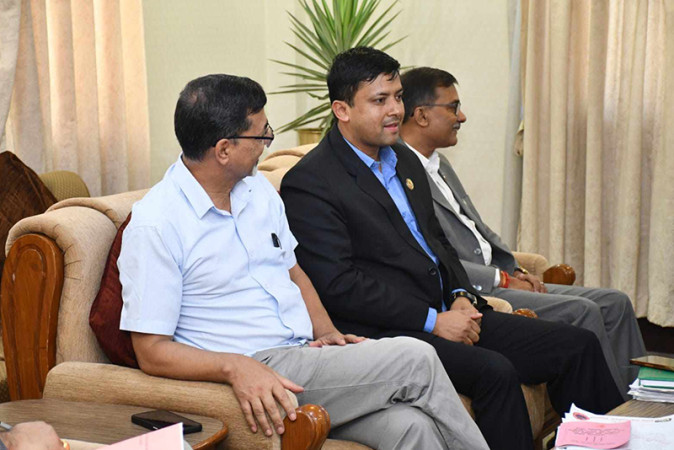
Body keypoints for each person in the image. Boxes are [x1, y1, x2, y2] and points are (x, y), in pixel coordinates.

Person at [117, 74, 488, 450]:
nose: (268, 143)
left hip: (303, 354)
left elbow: (293, 271)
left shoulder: (257, 191)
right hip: (255, 366)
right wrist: (234, 366)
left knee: (410, 426)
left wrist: (326, 332)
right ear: (224, 149)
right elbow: (151, 351)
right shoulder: (156, 223)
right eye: (262, 135)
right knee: (416, 359)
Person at [280, 47, 624, 450]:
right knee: (495, 371)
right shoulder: (311, 181)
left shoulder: (403, 160)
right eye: (379, 100)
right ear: (342, 109)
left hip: (449, 311)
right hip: (389, 332)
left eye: (398, 97)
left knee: (576, 345)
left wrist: (460, 294)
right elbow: (340, 286)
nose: (395, 110)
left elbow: (437, 242)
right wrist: (432, 321)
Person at [397, 66, 646, 395]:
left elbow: (478, 229)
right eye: (453, 108)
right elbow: (436, 257)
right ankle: (611, 414)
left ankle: (641, 398)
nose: (462, 117)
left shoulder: (439, 164)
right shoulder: (400, 174)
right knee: (582, 311)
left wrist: (516, 269)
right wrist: (502, 279)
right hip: (475, 288)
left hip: (499, 275)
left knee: (615, 302)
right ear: (421, 115)